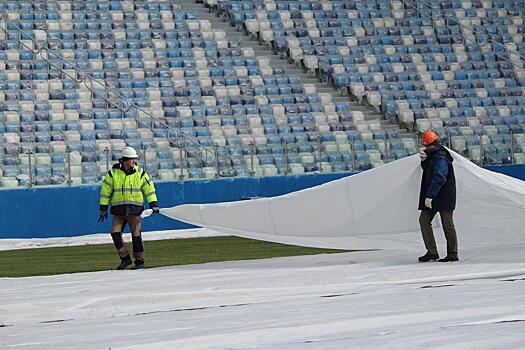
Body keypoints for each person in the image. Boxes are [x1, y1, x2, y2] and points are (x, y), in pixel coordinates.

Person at [98, 146, 159, 270]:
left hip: (134, 209)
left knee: (136, 235)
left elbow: (150, 190)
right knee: (115, 234)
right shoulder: (112, 174)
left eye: (135, 159)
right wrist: (103, 208)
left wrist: (153, 205)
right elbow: (105, 192)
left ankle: (139, 261)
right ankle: (125, 258)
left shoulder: (141, 174)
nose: (134, 162)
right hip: (119, 209)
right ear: (124, 160)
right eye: (132, 159)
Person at [418, 130, 459, 263]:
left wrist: (430, 195)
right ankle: (432, 252)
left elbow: (439, 177)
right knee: (424, 220)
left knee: (447, 224)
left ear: (431, 145)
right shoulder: (434, 156)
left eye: (426, 146)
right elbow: (430, 171)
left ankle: (452, 253)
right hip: (437, 196)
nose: (425, 148)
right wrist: (424, 161)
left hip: (443, 196)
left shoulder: (440, 157)